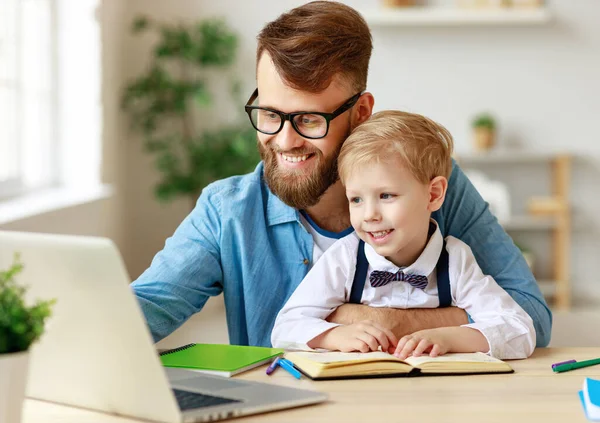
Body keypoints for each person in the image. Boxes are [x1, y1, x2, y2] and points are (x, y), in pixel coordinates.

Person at [131, 1, 551, 348]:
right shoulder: (228, 210)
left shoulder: (432, 183)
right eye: (270, 115)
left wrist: (368, 318)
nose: (285, 141)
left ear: (361, 113)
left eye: (309, 120)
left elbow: (530, 316)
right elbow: (143, 309)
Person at [271, 111, 536, 360]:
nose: (369, 215)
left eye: (386, 196)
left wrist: (450, 338)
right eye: (356, 199)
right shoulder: (344, 258)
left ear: (433, 195)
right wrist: (334, 335)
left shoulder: (455, 260)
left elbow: (520, 330)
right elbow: (285, 328)